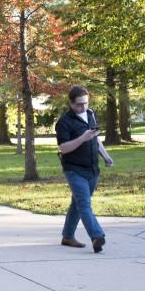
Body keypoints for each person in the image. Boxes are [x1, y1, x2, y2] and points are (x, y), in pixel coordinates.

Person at [55, 85, 114, 253]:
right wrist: (82, 138)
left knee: (77, 203)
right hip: (74, 169)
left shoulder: (90, 114)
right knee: (84, 204)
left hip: (92, 169)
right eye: (79, 104)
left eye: (86, 103)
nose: (83, 107)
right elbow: (63, 148)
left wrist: (105, 156)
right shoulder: (64, 122)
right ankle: (97, 236)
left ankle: (67, 236)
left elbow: (95, 139)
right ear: (71, 103)